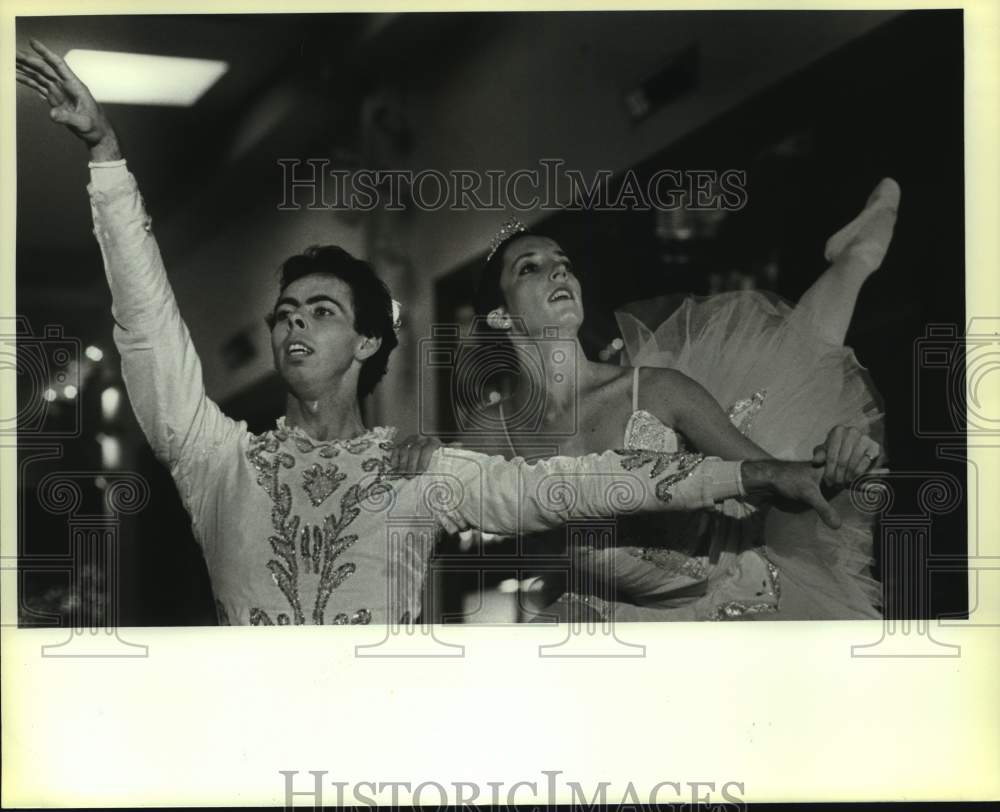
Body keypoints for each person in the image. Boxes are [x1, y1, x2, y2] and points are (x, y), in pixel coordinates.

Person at [15, 40, 840, 626]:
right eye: (285, 312)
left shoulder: (417, 473)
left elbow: (577, 485)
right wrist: (107, 160)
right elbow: (149, 330)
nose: (293, 320)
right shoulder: (215, 458)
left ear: (368, 344)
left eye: (322, 310)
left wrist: (751, 472)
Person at [463, 178, 896, 621]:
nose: (559, 272)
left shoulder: (657, 390)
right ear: (499, 315)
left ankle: (856, 257)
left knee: (795, 361)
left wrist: (837, 464)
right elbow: (438, 502)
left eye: (563, 263)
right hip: (622, 611)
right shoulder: (489, 433)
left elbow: (781, 482)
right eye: (529, 268)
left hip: (740, 583)